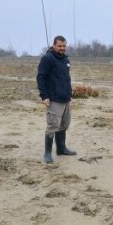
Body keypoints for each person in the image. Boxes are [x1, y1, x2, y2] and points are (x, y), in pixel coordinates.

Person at [37, 35, 77, 163]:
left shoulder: (65, 59)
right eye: (59, 46)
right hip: (53, 99)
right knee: (53, 125)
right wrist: (44, 96)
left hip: (65, 98)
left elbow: (66, 79)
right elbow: (41, 78)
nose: (62, 48)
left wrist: (70, 96)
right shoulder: (48, 59)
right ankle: (47, 153)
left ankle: (61, 148)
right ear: (54, 45)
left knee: (64, 125)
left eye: (64, 46)